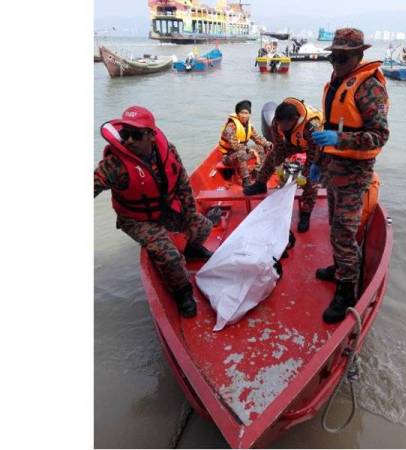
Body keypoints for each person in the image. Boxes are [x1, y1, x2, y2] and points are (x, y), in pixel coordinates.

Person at [94, 106, 214, 318]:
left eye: (136, 134)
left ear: (151, 135)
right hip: (136, 219)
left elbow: (182, 183)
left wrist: (188, 215)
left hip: (164, 209)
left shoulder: (168, 150)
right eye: (125, 134)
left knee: (203, 226)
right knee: (168, 256)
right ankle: (182, 292)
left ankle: (192, 249)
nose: (129, 140)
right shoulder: (114, 164)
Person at [310, 28, 390, 324]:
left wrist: (339, 140)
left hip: (355, 172)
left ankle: (347, 290)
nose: (335, 62)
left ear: (358, 56)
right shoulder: (337, 82)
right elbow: (329, 127)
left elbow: (379, 136)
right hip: (333, 168)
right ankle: (340, 267)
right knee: (334, 224)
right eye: (333, 56)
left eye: (342, 57)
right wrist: (318, 160)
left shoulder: (370, 89)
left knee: (344, 230)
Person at [243, 97, 323, 233]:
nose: (280, 127)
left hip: (313, 146)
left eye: (283, 125)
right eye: (278, 124)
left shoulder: (312, 127)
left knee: (311, 179)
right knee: (272, 155)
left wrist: (305, 174)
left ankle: (306, 213)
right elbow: (279, 147)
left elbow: (314, 155)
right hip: (293, 141)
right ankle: (260, 184)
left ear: (294, 120)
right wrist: (279, 167)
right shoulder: (276, 122)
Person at [217, 100, 272, 188]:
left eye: (246, 113)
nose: (244, 115)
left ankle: (257, 173)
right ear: (237, 114)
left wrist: (269, 144)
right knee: (242, 152)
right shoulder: (230, 126)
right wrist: (249, 149)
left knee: (260, 147)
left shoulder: (249, 126)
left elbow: (258, 138)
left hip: (241, 153)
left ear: (249, 114)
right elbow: (235, 146)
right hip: (228, 157)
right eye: (242, 113)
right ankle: (246, 181)